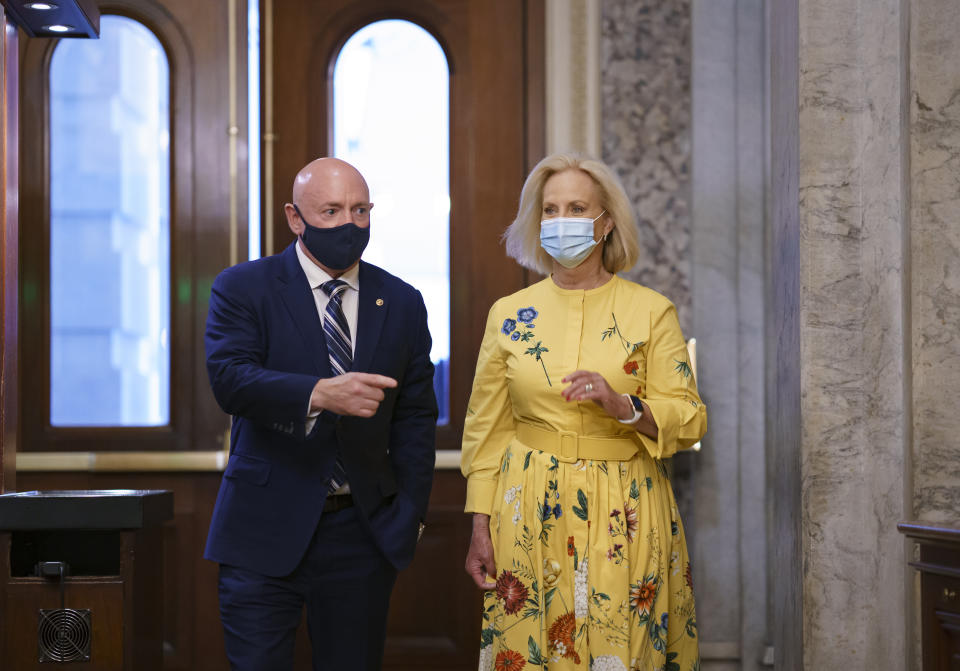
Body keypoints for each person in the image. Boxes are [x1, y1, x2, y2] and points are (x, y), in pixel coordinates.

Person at [462, 153, 706, 671]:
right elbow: (486, 429)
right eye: (550, 210)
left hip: (627, 508)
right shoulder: (507, 316)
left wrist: (625, 406)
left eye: (576, 207)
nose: (561, 220)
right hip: (526, 507)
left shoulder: (651, 310)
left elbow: (690, 417)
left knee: (624, 649)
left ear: (606, 221)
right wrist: (480, 524)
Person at [204, 157, 438, 670]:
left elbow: (417, 418)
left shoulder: (401, 301)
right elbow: (230, 380)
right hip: (261, 531)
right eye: (330, 211)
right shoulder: (244, 287)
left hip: (361, 533)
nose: (348, 225)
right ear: (295, 218)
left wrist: (410, 514)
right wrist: (319, 393)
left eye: (360, 211)